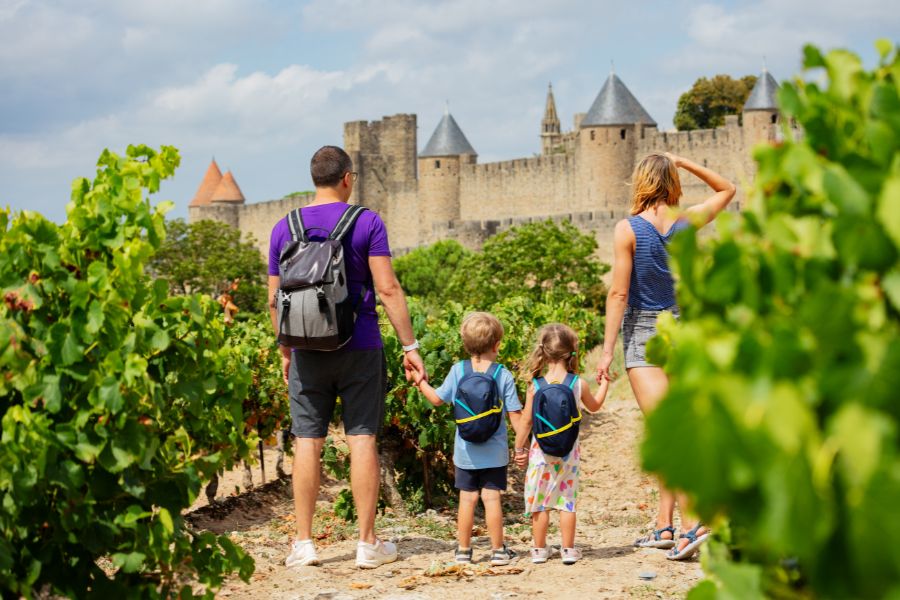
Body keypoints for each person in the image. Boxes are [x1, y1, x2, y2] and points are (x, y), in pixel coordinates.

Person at [268, 145, 426, 569]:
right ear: (347, 178)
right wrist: (410, 348)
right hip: (360, 345)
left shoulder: (285, 227)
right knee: (361, 438)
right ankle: (366, 543)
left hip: (305, 348)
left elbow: (273, 299)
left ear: (313, 179)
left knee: (307, 440)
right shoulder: (366, 222)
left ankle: (303, 544)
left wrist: (286, 350)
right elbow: (388, 289)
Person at [596, 152, 736, 560]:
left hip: (644, 336)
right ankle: (664, 525)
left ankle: (694, 526)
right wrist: (687, 163)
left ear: (639, 182)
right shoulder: (688, 221)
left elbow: (619, 294)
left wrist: (606, 352)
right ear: (672, 183)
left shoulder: (628, 230)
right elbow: (728, 188)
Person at [415, 312, 522, 566]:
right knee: (492, 498)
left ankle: (463, 551)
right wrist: (523, 444)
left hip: (465, 452)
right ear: (497, 344)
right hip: (495, 452)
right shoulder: (502, 374)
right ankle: (498, 551)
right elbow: (515, 415)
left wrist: (419, 382)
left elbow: (437, 399)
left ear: (465, 344)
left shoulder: (458, 370)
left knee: (467, 499)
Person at [513, 323, 608, 565]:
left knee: (541, 502)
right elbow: (595, 406)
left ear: (543, 352)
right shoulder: (577, 384)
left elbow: (525, 422)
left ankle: (538, 550)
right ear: (571, 352)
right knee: (566, 500)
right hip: (569, 453)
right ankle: (567, 549)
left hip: (540, 452)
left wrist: (519, 448)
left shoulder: (535, 386)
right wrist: (605, 383)